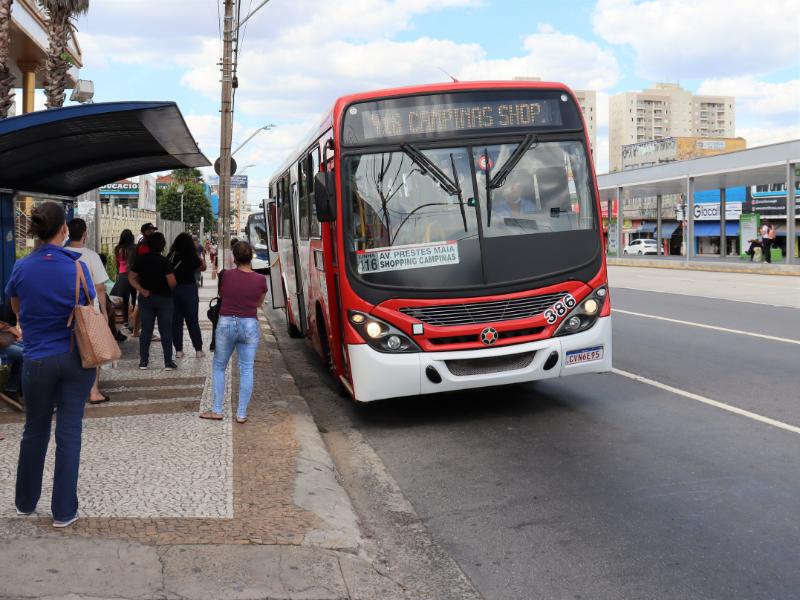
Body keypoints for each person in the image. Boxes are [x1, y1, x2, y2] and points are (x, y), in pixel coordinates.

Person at [6, 201, 97, 527]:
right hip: (75, 360)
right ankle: (63, 513)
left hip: (37, 360)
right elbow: (87, 305)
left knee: (34, 431)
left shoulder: (21, 267)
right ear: (63, 230)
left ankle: (25, 503)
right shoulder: (77, 267)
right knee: (69, 434)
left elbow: (16, 307)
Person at [200, 241, 267, 423]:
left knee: (219, 366)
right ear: (250, 256)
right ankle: (242, 414)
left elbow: (222, 294)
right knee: (246, 368)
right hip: (249, 325)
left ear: (234, 258)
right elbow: (259, 303)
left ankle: (217, 410)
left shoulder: (226, 275)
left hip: (226, 323)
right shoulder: (261, 280)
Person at [66, 218, 113, 405]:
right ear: (85, 233)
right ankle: (94, 392)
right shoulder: (92, 256)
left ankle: (71, 390)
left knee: (70, 351)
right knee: (94, 351)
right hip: (88, 312)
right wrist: (103, 312)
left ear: (67, 232)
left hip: (65, 311)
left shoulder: (61, 254)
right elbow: (100, 288)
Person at [129, 232, 177, 370]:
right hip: (164, 299)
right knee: (165, 330)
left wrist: (142, 289)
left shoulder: (141, 260)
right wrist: (170, 288)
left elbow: (131, 277)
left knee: (146, 330)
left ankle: (143, 361)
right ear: (163, 246)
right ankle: (168, 362)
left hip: (146, 299)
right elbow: (172, 282)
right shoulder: (165, 261)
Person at [168, 233, 206, 359]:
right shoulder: (192, 256)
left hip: (174, 290)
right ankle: (198, 351)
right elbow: (203, 267)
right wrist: (203, 257)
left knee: (176, 322)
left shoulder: (171, 255)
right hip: (189, 290)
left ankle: (178, 351)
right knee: (193, 321)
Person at [114, 229, 137, 329]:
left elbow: (117, 263)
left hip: (123, 275)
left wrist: (117, 274)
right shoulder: (134, 248)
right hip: (133, 275)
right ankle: (134, 319)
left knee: (124, 299)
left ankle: (126, 321)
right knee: (134, 296)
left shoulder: (118, 248)